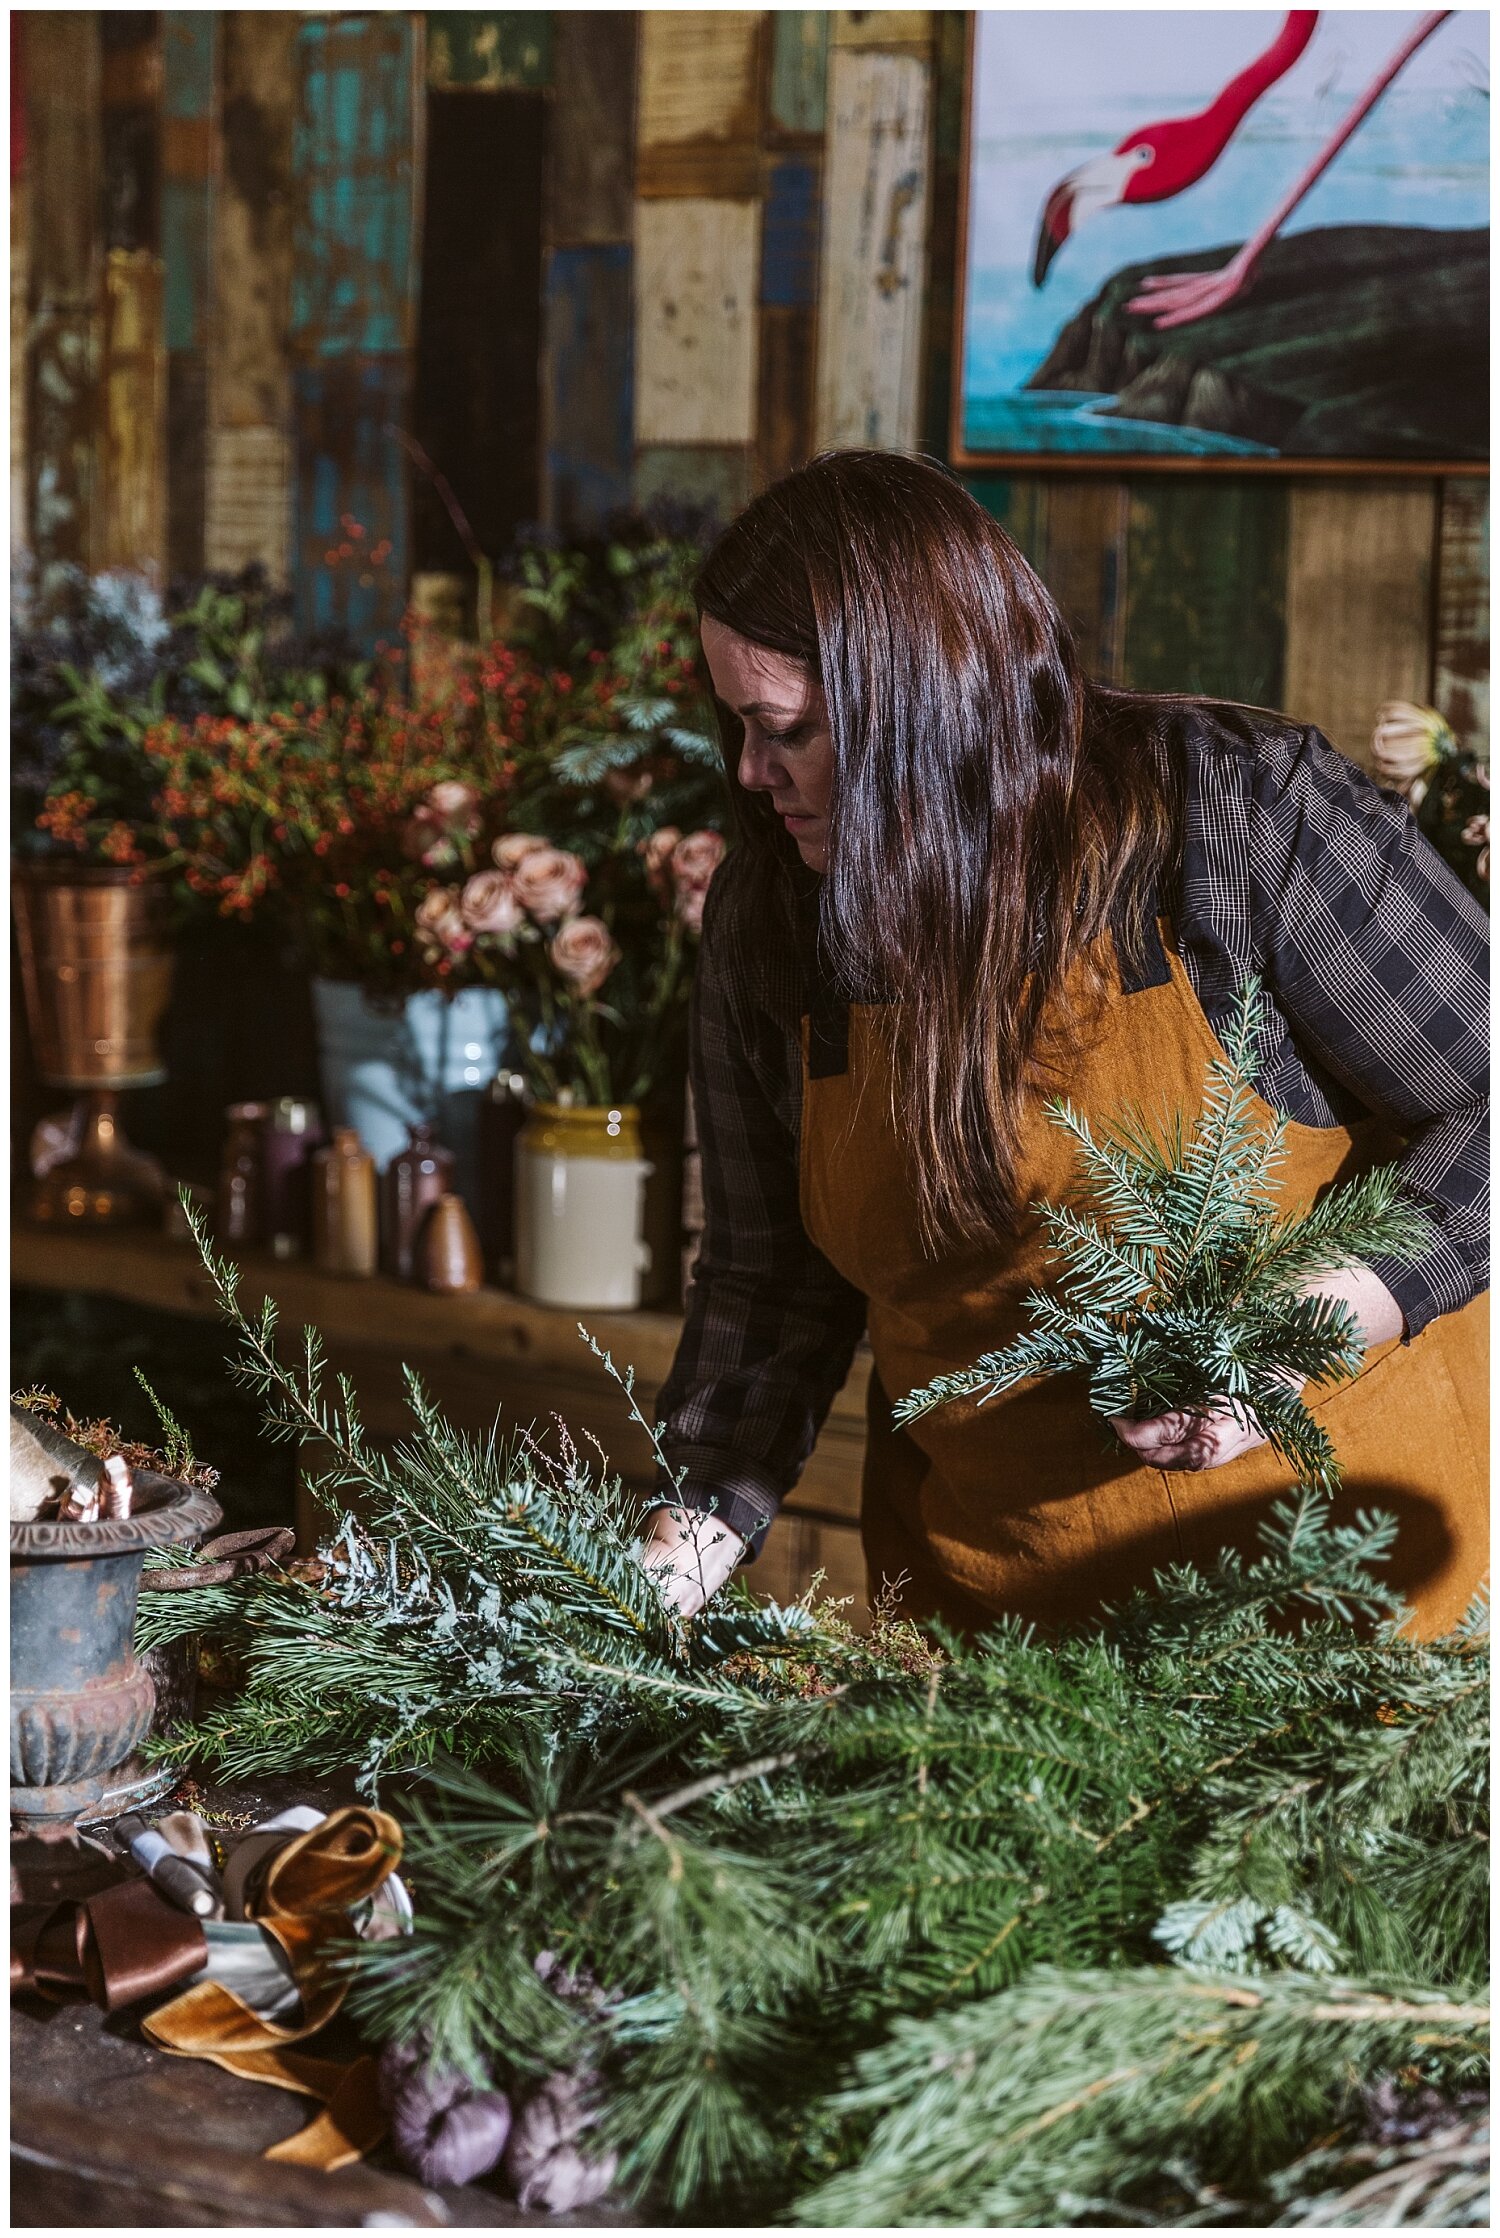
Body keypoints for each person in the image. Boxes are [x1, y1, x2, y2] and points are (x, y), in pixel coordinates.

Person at [638, 451, 1488, 1640]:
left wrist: (1294, 1331)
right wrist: (653, 1577)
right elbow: (768, 1292)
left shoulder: (1230, 816)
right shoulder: (772, 921)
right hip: (1005, 1669)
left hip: (1349, 1615)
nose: (749, 773)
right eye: (736, 724)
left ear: (924, 708)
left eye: (786, 730)